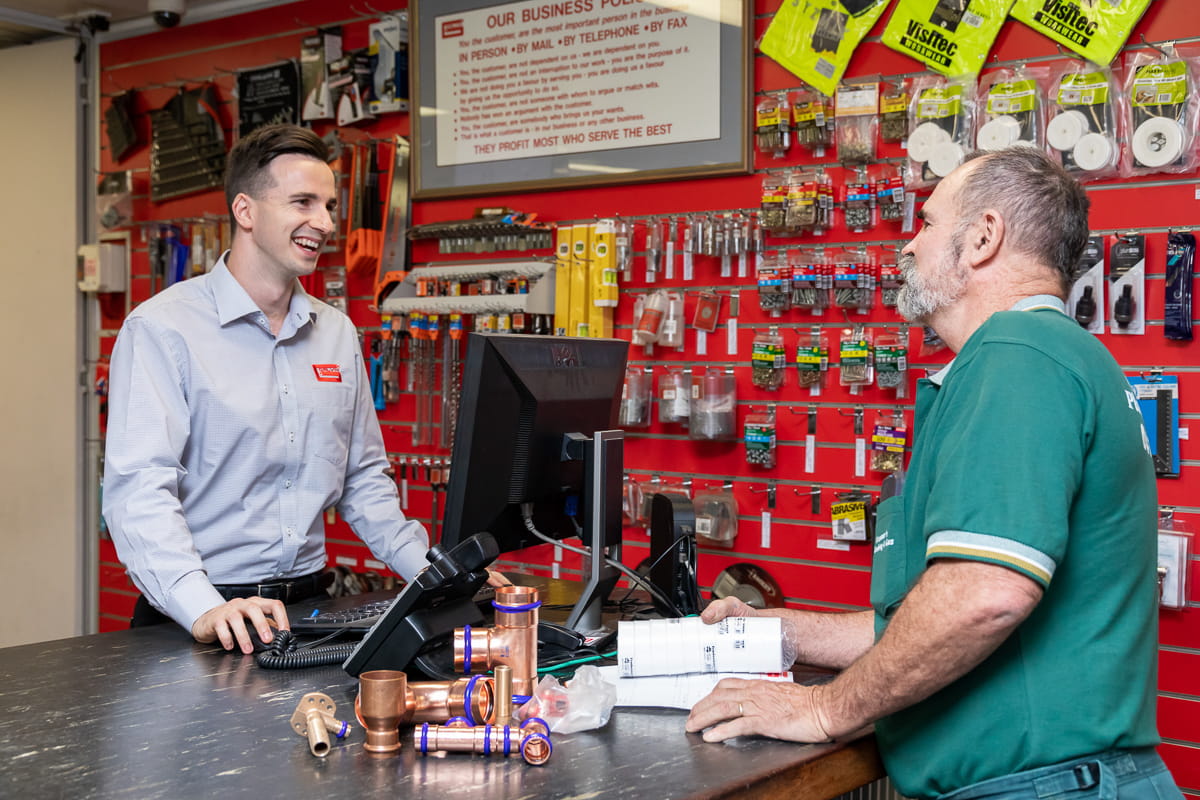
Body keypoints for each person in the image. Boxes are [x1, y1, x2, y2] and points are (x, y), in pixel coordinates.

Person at [687, 148, 1181, 800]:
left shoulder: (1017, 354)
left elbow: (984, 594)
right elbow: (937, 612)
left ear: (981, 238)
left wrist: (822, 710)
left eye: (925, 222)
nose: (907, 247)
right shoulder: (1056, 358)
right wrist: (788, 632)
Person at [104, 124, 447, 655]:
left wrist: (433, 575)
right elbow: (138, 491)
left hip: (309, 613)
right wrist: (203, 608)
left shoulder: (335, 333)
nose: (326, 223)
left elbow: (363, 480)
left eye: (329, 205)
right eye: (303, 202)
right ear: (246, 211)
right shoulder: (163, 329)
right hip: (200, 615)